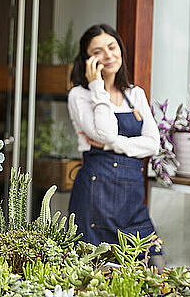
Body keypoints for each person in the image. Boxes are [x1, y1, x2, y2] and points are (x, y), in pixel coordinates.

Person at [67, 24, 164, 267]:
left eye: (112, 47)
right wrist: (98, 87)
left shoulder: (136, 94)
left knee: (156, 265)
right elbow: (106, 131)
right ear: (88, 59)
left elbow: (153, 144)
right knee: (97, 275)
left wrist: (114, 144)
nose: (109, 55)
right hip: (95, 197)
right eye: (98, 51)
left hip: (132, 201)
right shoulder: (80, 95)